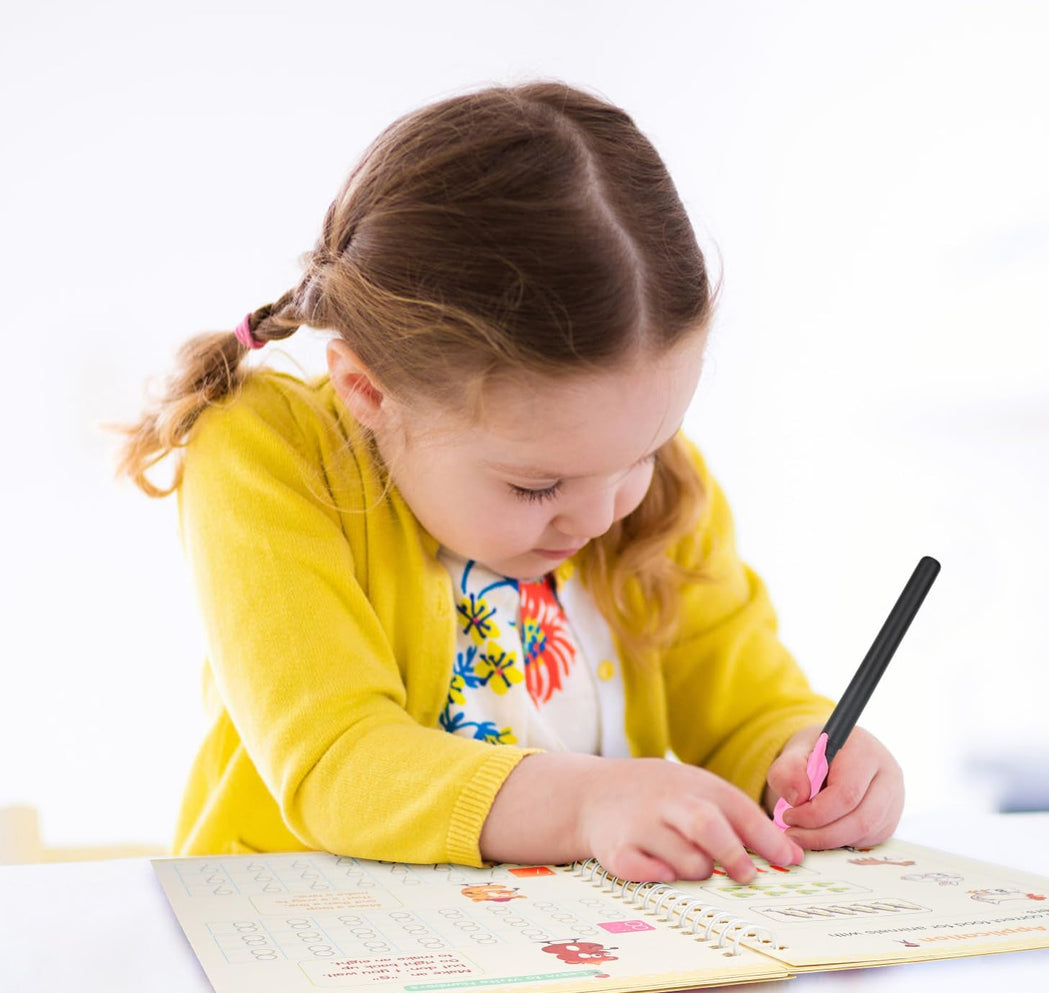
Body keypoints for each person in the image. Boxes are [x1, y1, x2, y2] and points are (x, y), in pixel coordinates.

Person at [118, 81, 903, 885]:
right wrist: (591, 803)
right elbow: (339, 760)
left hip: (575, 969)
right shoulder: (269, 452)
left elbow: (745, 707)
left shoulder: (652, 485)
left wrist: (809, 757)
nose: (600, 516)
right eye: (537, 487)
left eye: (644, 453)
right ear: (370, 393)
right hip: (312, 953)